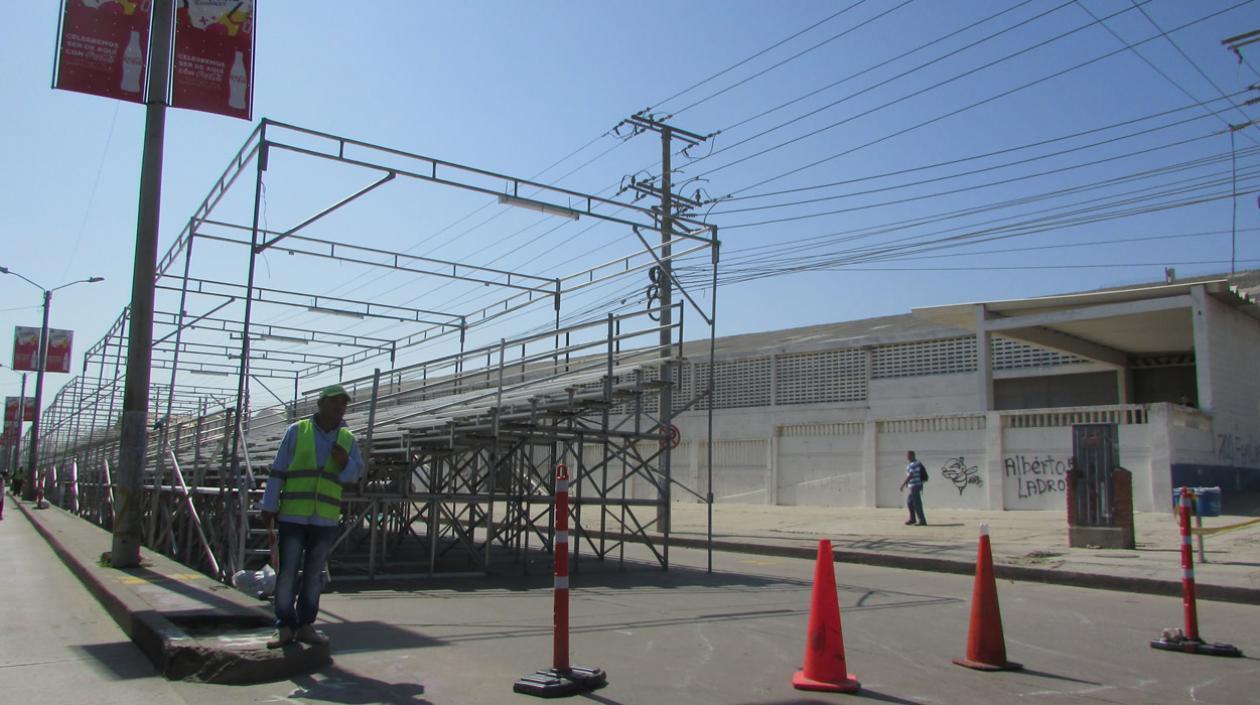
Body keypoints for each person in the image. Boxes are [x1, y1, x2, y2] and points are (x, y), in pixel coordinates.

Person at [259, 384, 364, 649]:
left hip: (325, 518)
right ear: (320, 404)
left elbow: (355, 475)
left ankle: (306, 625)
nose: (339, 408)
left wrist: (344, 462)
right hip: (294, 514)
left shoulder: (348, 440)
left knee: (314, 573)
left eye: (343, 404)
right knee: (287, 572)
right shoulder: (297, 431)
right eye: (334, 403)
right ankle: (284, 625)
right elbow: (278, 469)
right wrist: (269, 503)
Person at [899, 450, 927, 526]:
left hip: (915, 486)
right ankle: (913, 519)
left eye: (908, 456)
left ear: (912, 456)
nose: (907, 457)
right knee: (910, 502)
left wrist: (903, 484)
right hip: (916, 485)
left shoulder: (913, 464)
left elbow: (911, 475)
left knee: (917, 503)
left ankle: (922, 521)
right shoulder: (917, 463)